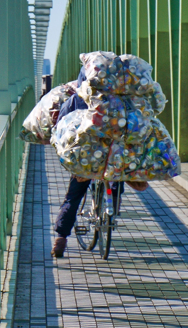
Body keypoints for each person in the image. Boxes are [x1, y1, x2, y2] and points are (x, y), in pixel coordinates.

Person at [51, 66, 147, 258]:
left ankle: (60, 239)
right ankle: (113, 202)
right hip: (113, 154)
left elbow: (61, 126)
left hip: (87, 157)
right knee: (118, 173)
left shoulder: (76, 99)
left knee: (74, 195)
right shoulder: (120, 99)